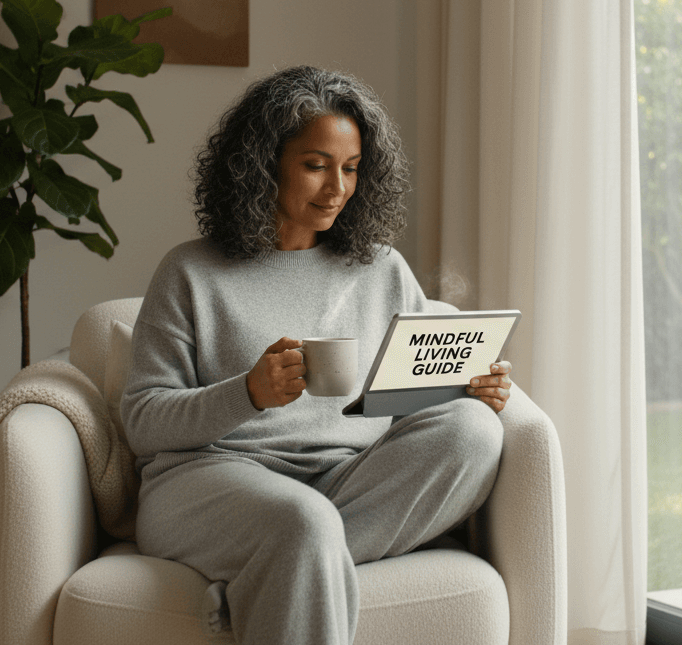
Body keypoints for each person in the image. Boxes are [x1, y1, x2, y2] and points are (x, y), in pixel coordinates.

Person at [122, 65, 514, 645]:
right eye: (315, 166)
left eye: (351, 169)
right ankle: (290, 554)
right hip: (210, 481)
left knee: (474, 432)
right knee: (302, 522)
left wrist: (471, 385)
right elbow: (142, 424)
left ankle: (267, 576)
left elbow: (413, 390)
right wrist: (248, 393)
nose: (338, 188)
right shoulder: (190, 272)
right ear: (262, 164)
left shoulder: (381, 269)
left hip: (346, 477)